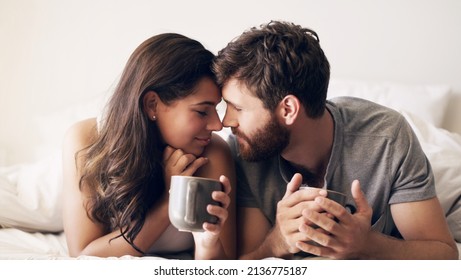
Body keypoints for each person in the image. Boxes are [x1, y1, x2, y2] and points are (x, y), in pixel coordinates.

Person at [212, 20, 458, 259]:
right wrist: (277, 241)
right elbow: (242, 265)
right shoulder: (244, 149)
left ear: (288, 109)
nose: (226, 122)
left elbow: (444, 255)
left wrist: (366, 244)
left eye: (238, 108)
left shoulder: (386, 140)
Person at [62, 33, 236, 259]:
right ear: (152, 104)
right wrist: (167, 203)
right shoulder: (85, 140)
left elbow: (226, 264)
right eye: (202, 111)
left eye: (216, 109)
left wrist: (208, 241)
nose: (217, 124)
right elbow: (84, 257)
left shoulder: (213, 152)